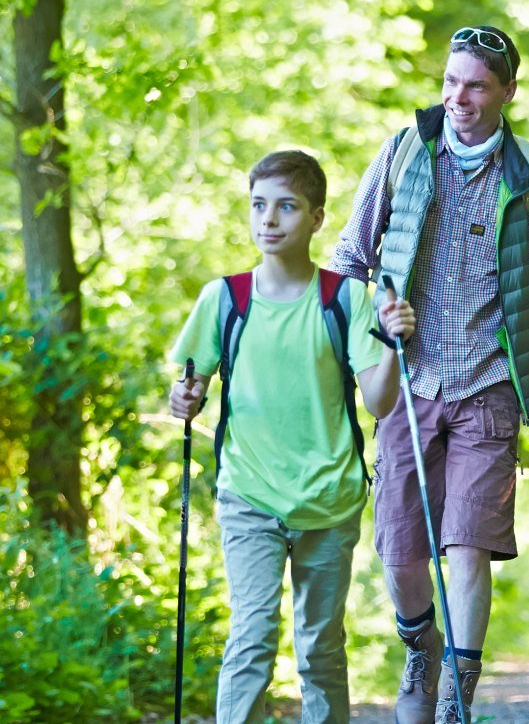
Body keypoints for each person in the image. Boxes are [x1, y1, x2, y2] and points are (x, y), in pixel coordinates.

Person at [328, 24, 529, 724]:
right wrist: (380, 315)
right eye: (450, 82)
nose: (458, 97)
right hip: (407, 379)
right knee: (402, 550)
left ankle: (456, 694)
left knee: (465, 544)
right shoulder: (405, 151)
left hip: (490, 382)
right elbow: (351, 256)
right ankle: (419, 645)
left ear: (507, 93)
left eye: (475, 86)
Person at [167, 149, 417, 724]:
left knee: (320, 648)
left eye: (286, 207)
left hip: (329, 501)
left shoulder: (344, 299)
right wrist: (183, 399)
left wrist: (395, 343)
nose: (269, 220)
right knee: (251, 639)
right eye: (259, 206)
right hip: (249, 495)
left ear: (316, 217)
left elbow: (378, 400)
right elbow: (187, 389)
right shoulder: (226, 299)